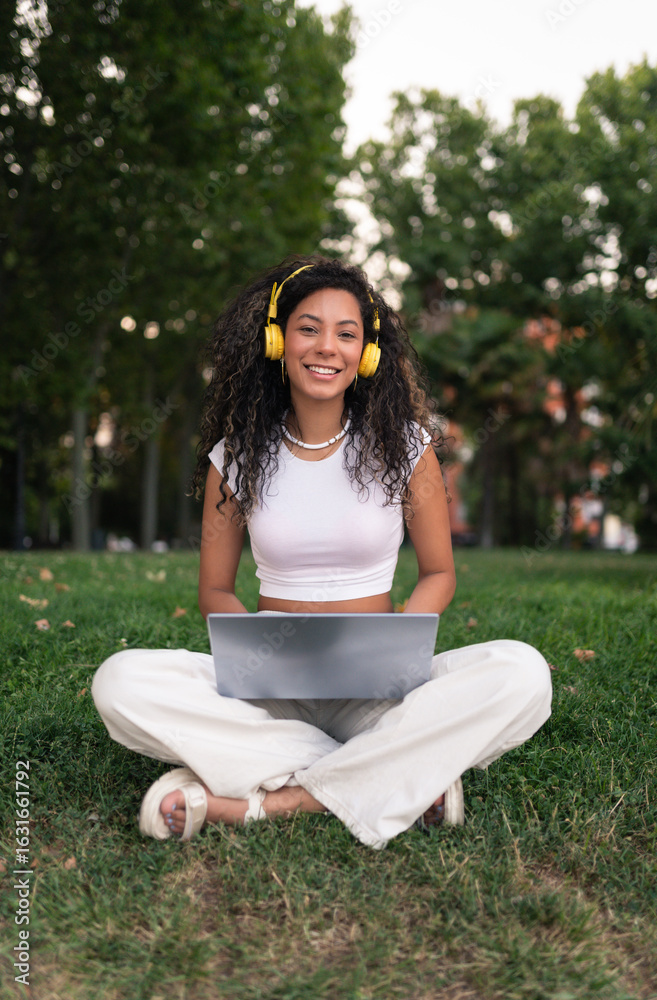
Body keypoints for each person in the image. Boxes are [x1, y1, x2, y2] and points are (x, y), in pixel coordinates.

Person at [92, 254, 552, 849]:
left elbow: (439, 573)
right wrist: (256, 653)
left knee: (523, 675)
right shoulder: (235, 458)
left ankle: (268, 801)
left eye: (346, 333)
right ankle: (395, 774)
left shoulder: (409, 450)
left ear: (366, 353)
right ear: (279, 340)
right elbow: (215, 590)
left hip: (379, 692)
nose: (325, 347)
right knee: (120, 682)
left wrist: (398, 648)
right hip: (270, 690)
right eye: (308, 328)